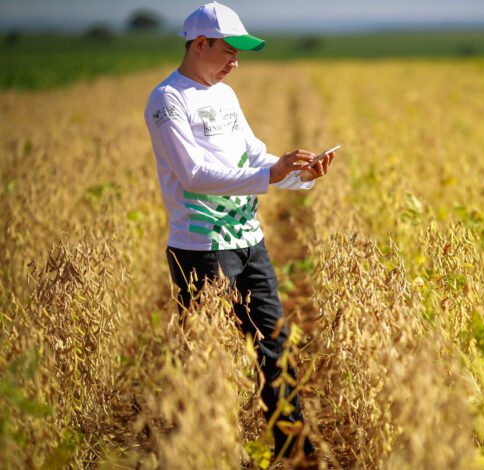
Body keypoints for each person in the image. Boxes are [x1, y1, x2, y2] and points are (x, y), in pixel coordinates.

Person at [143, 1, 333, 459]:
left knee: (275, 345)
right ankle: (211, 450)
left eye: (240, 54)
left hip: (249, 241)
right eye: (229, 51)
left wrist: (296, 173)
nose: (236, 62)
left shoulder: (225, 96)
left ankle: (293, 449)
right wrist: (270, 176)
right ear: (200, 44)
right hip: (201, 247)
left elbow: (254, 157)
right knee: (209, 356)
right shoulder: (168, 100)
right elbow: (194, 174)